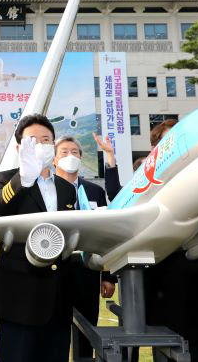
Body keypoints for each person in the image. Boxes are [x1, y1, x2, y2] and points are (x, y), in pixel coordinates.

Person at [0, 114, 77, 362]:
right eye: (32, 140)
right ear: (19, 148)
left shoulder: (67, 188)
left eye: (46, 140)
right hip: (18, 296)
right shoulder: (3, 179)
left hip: (58, 296)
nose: (40, 145)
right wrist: (23, 179)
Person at [52, 136, 114, 359]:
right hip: (56, 272)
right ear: (53, 159)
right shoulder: (48, 190)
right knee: (56, 333)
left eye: (75, 152)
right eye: (64, 152)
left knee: (87, 332)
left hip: (88, 272)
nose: (70, 157)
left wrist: (107, 275)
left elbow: (106, 232)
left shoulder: (94, 191)